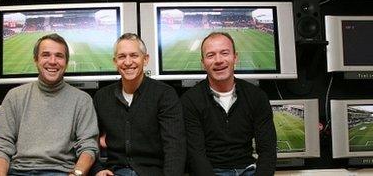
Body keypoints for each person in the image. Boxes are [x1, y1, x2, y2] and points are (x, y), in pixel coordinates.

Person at [0, 34, 99, 176]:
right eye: (46, 55)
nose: (52, 61)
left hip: (62, 172)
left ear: (66, 62)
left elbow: (88, 146)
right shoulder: (15, 96)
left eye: (59, 56)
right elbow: (2, 146)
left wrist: (77, 174)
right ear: (36, 60)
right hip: (18, 171)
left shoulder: (82, 100)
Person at [181, 32, 276, 176]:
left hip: (248, 170)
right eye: (211, 55)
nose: (218, 60)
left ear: (235, 57)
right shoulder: (190, 100)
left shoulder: (257, 97)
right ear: (203, 63)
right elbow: (196, 156)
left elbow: (268, 151)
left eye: (224, 53)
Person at [92, 33, 186, 176]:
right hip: (115, 172)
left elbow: (174, 147)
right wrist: (97, 170)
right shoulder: (102, 97)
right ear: (115, 61)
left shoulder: (165, 94)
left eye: (134, 55)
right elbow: (90, 141)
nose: (128, 62)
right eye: (122, 56)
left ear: (145, 59)